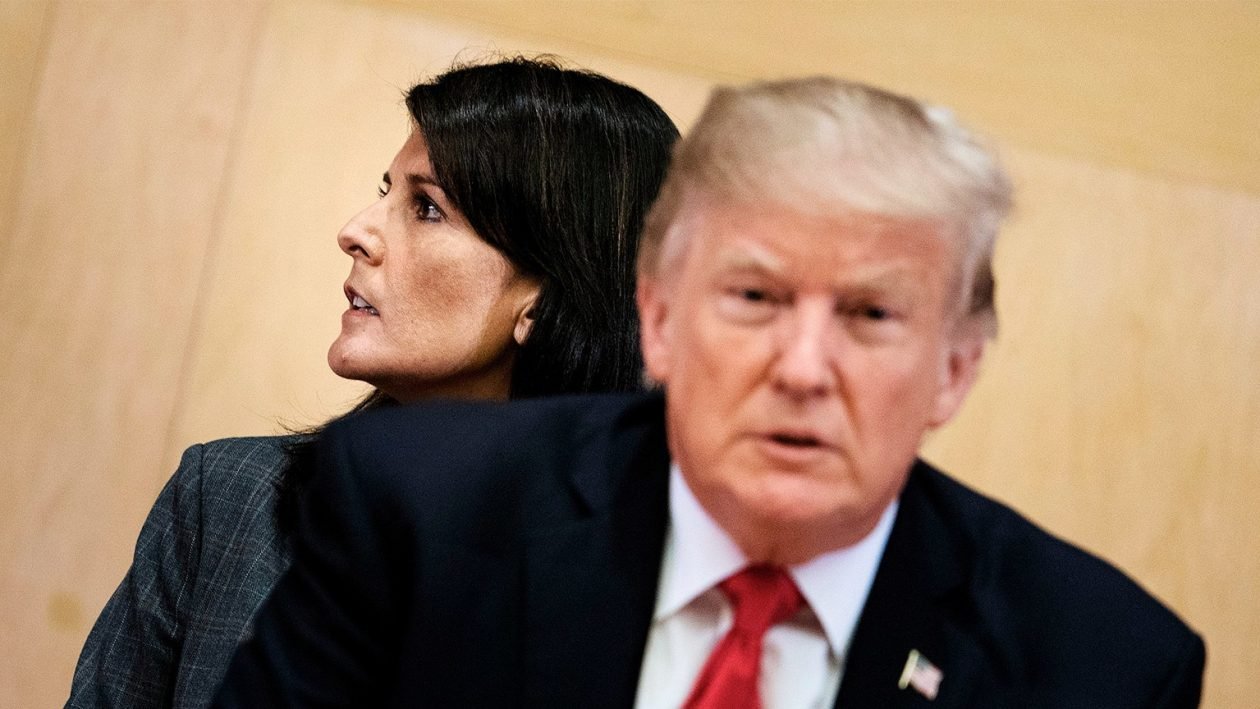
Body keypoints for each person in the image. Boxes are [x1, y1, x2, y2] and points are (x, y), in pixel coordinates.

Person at [213, 77, 1205, 708]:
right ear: (658, 319)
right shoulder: (423, 511)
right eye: (755, 297)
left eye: (870, 315)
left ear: (954, 370)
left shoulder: (1101, 666)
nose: (803, 368)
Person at [66, 56, 678, 709]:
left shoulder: (659, 589)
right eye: (386, 191)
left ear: (541, 297)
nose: (355, 232)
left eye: (427, 208)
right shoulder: (227, 497)